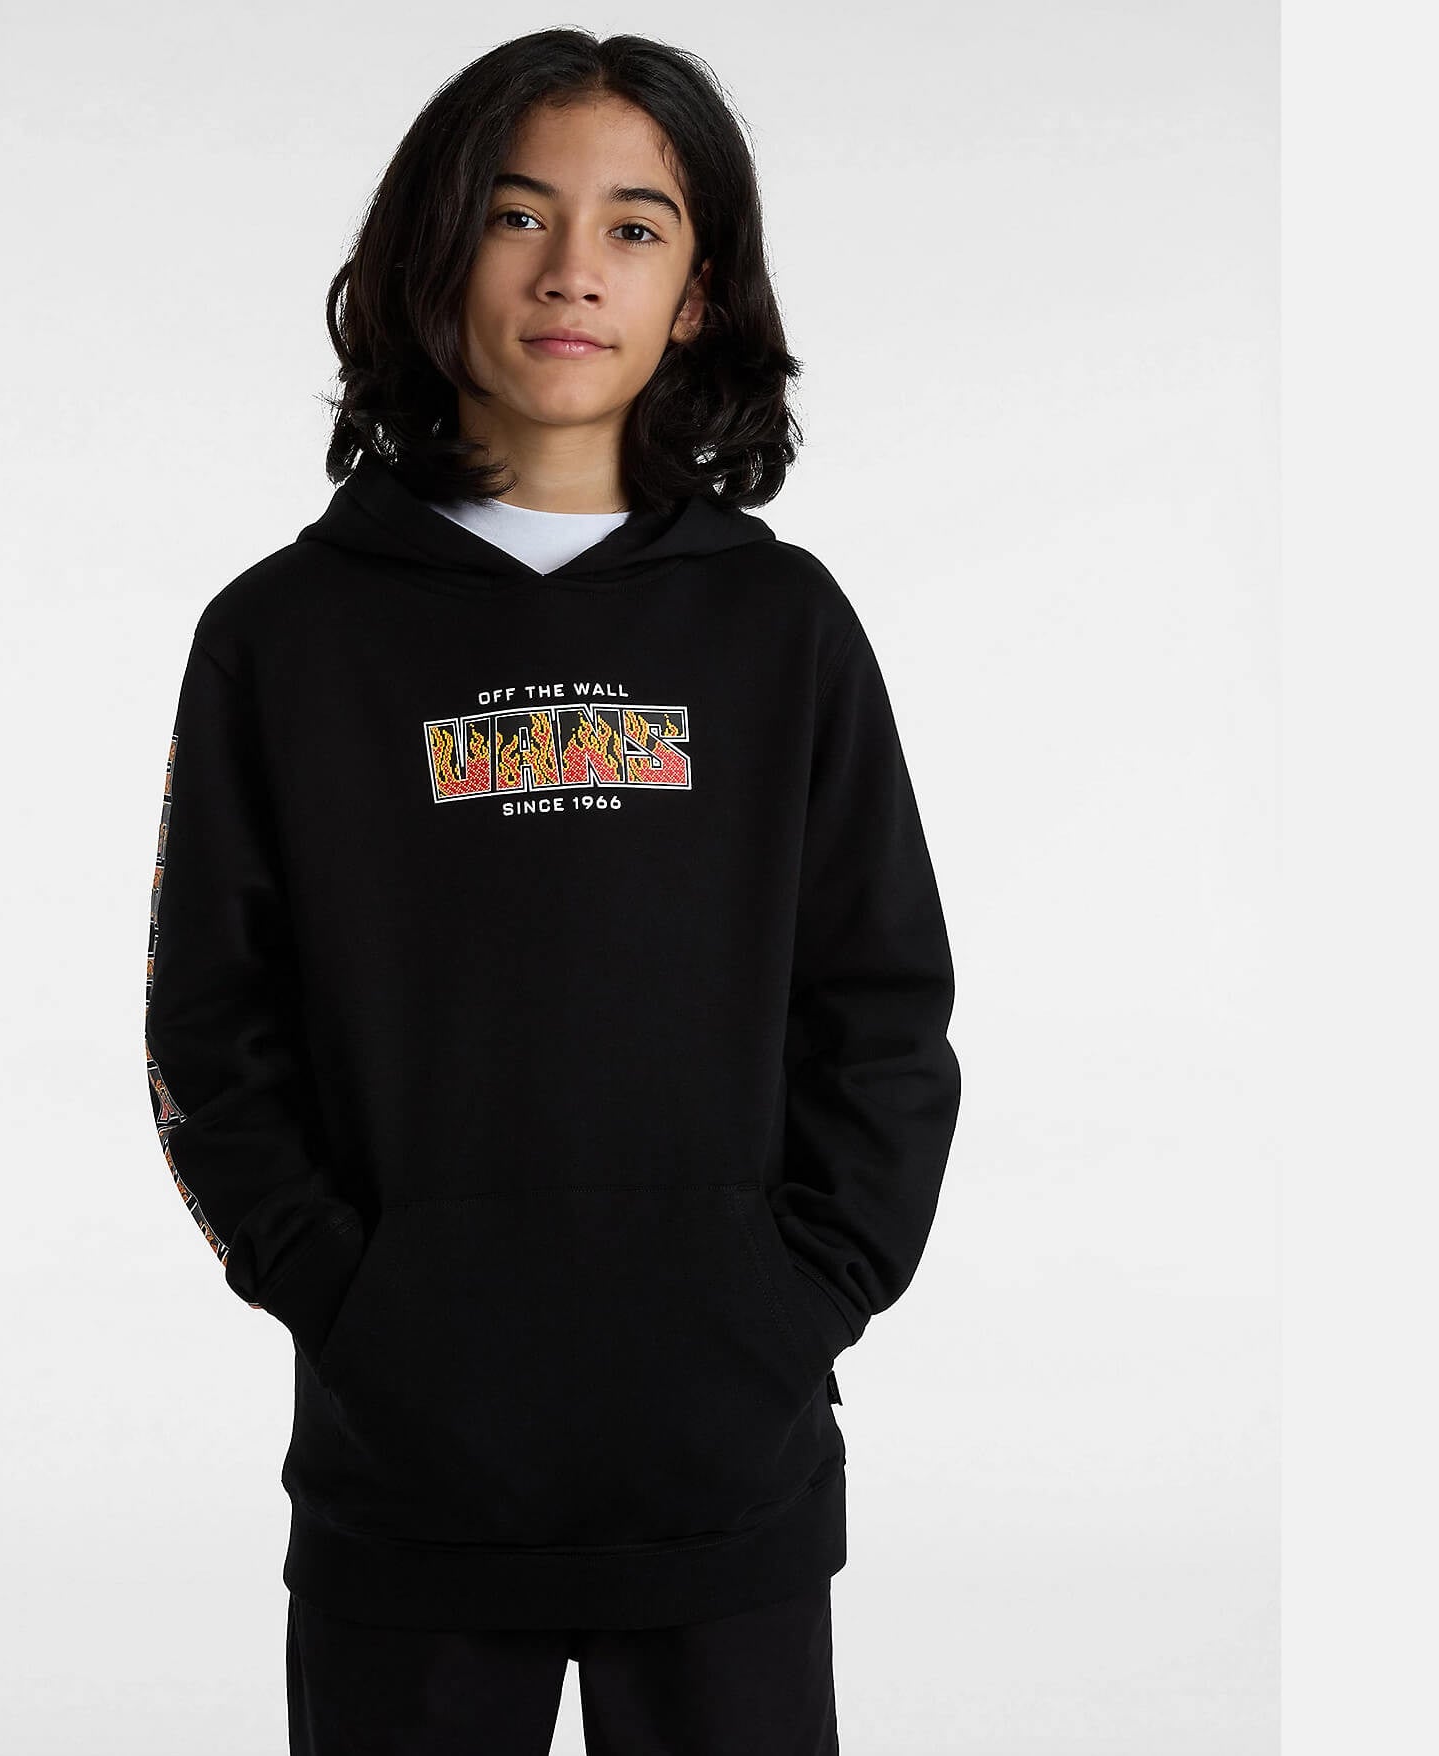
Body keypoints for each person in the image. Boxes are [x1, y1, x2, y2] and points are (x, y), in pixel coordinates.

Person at [143, 28, 961, 1756]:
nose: (573, 269)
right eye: (519, 215)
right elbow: (210, 1030)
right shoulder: (284, 636)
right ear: (433, 252)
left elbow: (882, 1007)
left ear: (700, 295)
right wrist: (355, 1304)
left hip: (726, 1474)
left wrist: (795, 1303)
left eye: (634, 227)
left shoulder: (783, 629)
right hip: (408, 1482)